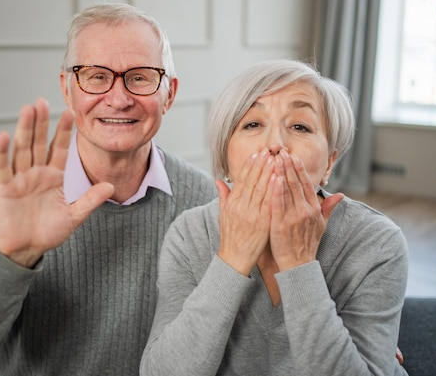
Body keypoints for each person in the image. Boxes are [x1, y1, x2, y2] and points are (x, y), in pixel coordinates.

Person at [0, 3, 217, 376]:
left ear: (168, 93)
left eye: (140, 77)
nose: (119, 97)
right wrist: (10, 258)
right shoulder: (6, 198)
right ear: (67, 88)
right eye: (95, 76)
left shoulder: (204, 202)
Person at [140, 59, 409, 376]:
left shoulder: (377, 242)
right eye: (252, 124)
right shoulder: (190, 234)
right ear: (225, 158)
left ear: (329, 164)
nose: (275, 145)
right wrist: (232, 257)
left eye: (300, 126)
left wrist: (299, 265)